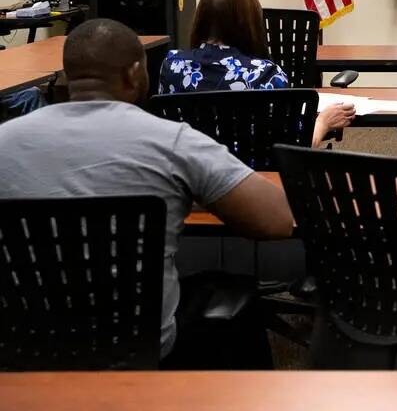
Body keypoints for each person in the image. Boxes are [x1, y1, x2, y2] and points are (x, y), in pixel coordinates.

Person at [0, 19, 295, 365]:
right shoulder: (171, 142)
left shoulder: (5, 140)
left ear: (67, 76)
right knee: (226, 293)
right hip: (140, 348)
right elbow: (276, 220)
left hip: (24, 349)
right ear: (135, 73)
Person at [158, 0, 353, 146]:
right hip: (250, 183)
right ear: (251, 24)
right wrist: (323, 122)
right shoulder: (266, 75)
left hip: (188, 182)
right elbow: (294, 146)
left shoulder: (172, 66)